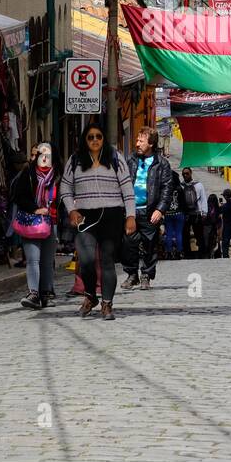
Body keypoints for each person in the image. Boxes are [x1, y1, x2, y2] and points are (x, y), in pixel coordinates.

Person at [60, 123, 135, 320]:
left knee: (108, 261)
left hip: (112, 215)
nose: (95, 140)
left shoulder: (115, 158)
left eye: (99, 137)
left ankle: (107, 304)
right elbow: (65, 188)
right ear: (85, 140)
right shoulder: (75, 160)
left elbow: (127, 188)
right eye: (91, 137)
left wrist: (131, 216)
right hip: (85, 216)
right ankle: (91, 296)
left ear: (103, 139)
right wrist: (72, 209)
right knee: (86, 261)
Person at [123, 127, 177, 290]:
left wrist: (160, 210)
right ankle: (132, 275)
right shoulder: (130, 160)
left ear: (151, 144)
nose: (137, 144)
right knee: (128, 243)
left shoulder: (162, 164)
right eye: (137, 140)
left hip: (150, 211)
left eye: (141, 141)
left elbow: (167, 189)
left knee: (149, 245)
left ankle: (146, 274)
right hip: (131, 211)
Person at [10, 143, 60, 310]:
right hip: (31, 222)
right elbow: (18, 197)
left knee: (47, 261)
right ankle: (33, 293)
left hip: (51, 223)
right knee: (33, 260)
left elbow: (65, 198)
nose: (44, 158)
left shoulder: (58, 176)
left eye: (48, 155)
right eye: (41, 154)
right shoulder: (28, 174)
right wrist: (36, 209)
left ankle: (45, 293)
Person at [176, 167, 207, 259]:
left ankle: (202, 253)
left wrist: (204, 212)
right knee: (185, 235)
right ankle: (187, 254)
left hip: (197, 213)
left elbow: (203, 199)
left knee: (199, 234)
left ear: (191, 173)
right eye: (184, 174)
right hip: (185, 214)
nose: (185, 175)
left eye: (187, 173)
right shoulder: (180, 186)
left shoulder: (199, 185)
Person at [204, 192, 223, 257]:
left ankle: (208, 254)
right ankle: (215, 254)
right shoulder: (218, 208)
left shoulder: (206, 207)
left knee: (207, 242)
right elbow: (220, 219)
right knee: (214, 242)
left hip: (207, 227)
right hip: (215, 228)